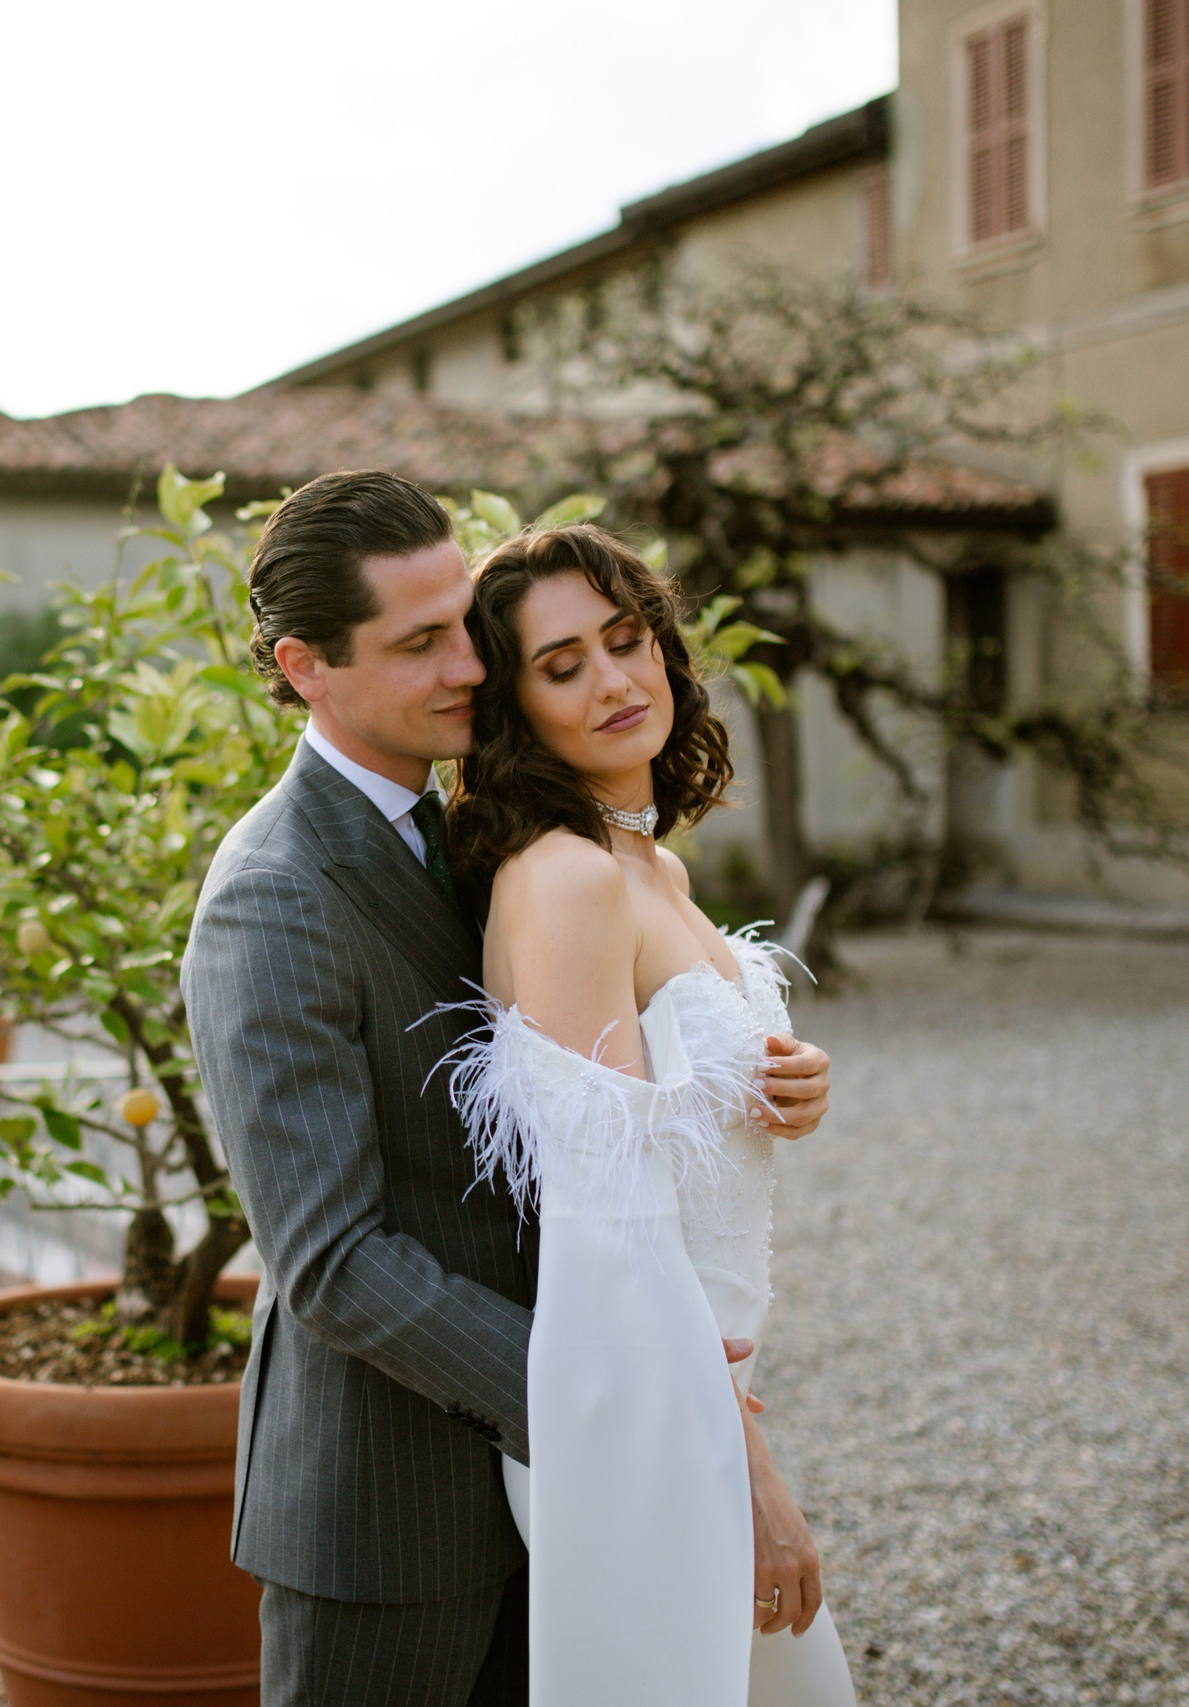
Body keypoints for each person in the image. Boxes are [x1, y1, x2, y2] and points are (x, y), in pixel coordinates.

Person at [182, 474, 834, 1707]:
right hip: (390, 1515)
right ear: (304, 664)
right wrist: (615, 1401)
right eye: (422, 642)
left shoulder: (471, 829)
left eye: (466, 632)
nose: (470, 669)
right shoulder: (274, 890)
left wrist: (746, 1077)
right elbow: (328, 1259)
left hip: (556, 1486)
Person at [439, 521, 857, 1706]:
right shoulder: (566, 880)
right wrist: (750, 1472)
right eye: (562, 665)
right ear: (516, 707)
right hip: (632, 1399)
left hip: (691, 1381)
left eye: (626, 642)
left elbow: (677, 1117)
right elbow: (609, 1227)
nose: (615, 681)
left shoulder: (649, 867)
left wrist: (787, 1090)